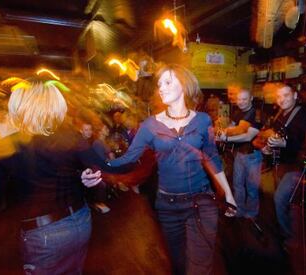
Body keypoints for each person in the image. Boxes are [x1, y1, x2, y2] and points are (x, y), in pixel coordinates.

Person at [102, 64, 237, 274]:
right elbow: (129, 158)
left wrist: (228, 194)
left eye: (167, 82)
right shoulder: (149, 125)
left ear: (183, 86)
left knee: (200, 265)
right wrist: (101, 166)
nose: (161, 88)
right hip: (168, 205)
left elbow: (212, 157)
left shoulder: (202, 120)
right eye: (159, 84)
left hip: (200, 201)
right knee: (178, 264)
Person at [0, 79, 110, 274]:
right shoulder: (71, 136)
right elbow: (94, 172)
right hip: (81, 220)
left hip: (45, 233)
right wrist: (82, 178)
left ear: (20, 107)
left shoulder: (7, 145)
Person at [265, 84, 306, 243]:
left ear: (295, 96)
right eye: (279, 96)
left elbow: (305, 144)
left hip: (295, 166)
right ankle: (288, 235)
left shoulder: (302, 115)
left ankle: (289, 237)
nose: (282, 99)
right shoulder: (280, 114)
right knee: (287, 203)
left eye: (286, 95)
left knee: (280, 199)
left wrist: (283, 144)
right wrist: (268, 147)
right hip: (280, 165)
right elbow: (276, 137)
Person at [218, 89, 262, 219]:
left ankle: (252, 214)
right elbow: (231, 127)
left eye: (244, 99)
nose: (241, 102)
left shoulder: (256, 114)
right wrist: (223, 129)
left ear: (251, 98)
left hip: (253, 156)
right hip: (239, 154)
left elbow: (248, 137)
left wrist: (226, 138)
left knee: (252, 188)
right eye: (239, 99)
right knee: (237, 185)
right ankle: (240, 210)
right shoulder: (238, 113)